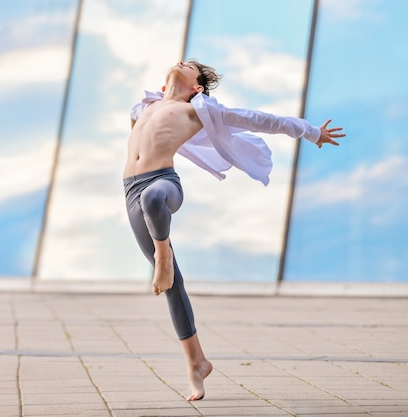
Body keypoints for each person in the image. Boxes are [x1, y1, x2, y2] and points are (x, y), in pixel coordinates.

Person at [123, 60, 345, 401]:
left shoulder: (199, 110)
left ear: (197, 86)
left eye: (191, 66)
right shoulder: (144, 107)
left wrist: (311, 131)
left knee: (154, 202)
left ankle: (163, 254)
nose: (182, 62)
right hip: (130, 191)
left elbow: (259, 119)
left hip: (163, 185)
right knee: (172, 286)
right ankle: (196, 362)